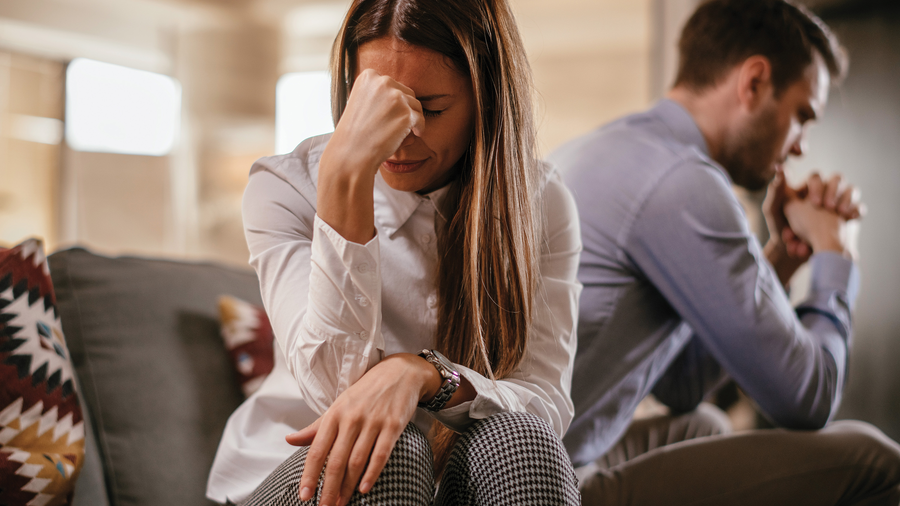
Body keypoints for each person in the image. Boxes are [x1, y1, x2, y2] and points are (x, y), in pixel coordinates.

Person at [206, 0, 583, 505]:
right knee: (387, 452)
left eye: (429, 109)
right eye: (379, 104)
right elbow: (334, 393)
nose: (400, 139)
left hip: (443, 486)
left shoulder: (540, 202)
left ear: (484, 99)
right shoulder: (286, 187)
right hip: (283, 476)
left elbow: (546, 403)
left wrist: (424, 374)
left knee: (525, 440)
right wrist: (345, 175)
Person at [549, 0, 900, 504]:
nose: (800, 146)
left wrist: (783, 257)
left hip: (528, 452)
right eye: (802, 116)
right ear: (754, 82)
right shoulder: (684, 183)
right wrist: (835, 254)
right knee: (878, 460)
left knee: (703, 424)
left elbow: (681, 386)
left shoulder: (615, 148)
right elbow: (808, 399)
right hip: (539, 481)